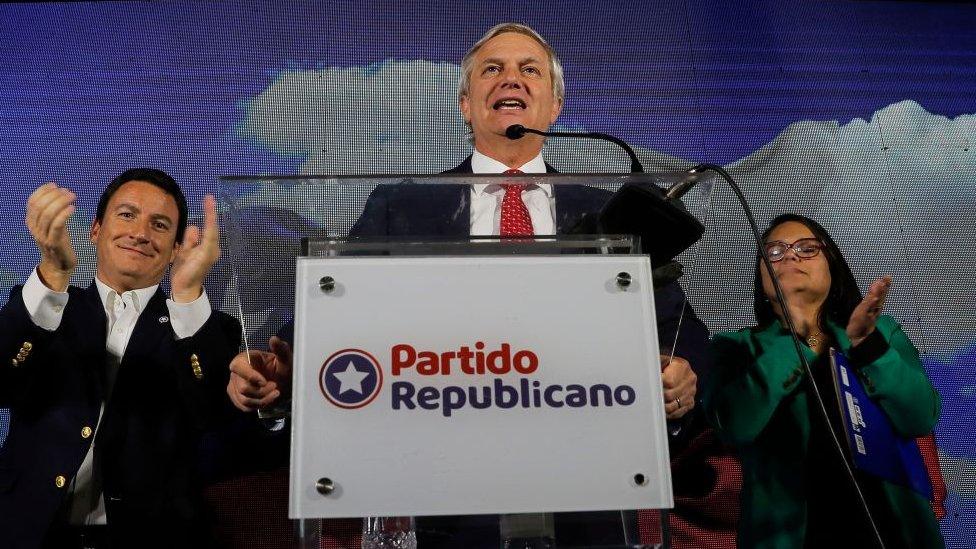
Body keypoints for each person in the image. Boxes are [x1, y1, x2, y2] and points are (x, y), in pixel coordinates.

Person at [227, 23, 713, 547]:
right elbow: (332, 310)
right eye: (493, 69)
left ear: (554, 108)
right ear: (465, 104)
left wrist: (683, 378)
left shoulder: (611, 215)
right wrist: (284, 370)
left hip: (587, 494)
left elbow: (683, 336)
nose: (513, 79)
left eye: (530, 71)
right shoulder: (401, 208)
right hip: (443, 498)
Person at [0, 169, 242, 549]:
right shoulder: (44, 307)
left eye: (159, 225)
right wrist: (53, 272)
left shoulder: (206, 329)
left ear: (177, 248)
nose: (141, 233)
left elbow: (215, 418)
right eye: (127, 215)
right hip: (29, 534)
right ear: (95, 230)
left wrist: (188, 294)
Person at [703, 213, 943, 548]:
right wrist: (796, 336)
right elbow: (735, 424)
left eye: (806, 248)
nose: (790, 256)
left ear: (831, 263)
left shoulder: (881, 333)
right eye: (774, 252)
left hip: (891, 529)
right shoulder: (735, 347)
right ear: (761, 275)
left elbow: (920, 417)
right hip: (792, 536)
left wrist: (867, 346)